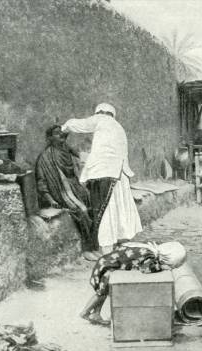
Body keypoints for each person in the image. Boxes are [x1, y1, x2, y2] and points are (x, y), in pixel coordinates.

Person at [61, 103, 142, 253]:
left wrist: (63, 127)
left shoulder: (101, 120)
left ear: (100, 112)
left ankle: (106, 249)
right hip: (119, 175)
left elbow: (81, 124)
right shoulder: (118, 127)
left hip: (105, 174)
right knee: (118, 209)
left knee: (105, 211)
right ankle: (120, 243)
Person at [79, 241, 187, 326]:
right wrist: (162, 267)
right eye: (173, 265)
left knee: (103, 293)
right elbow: (147, 269)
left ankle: (96, 314)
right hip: (107, 269)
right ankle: (85, 312)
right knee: (101, 294)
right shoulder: (149, 256)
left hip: (106, 264)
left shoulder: (149, 249)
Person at [35, 125, 100, 261]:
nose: (61, 136)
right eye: (57, 134)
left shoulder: (66, 150)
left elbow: (82, 156)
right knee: (80, 210)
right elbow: (41, 183)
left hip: (75, 186)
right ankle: (86, 249)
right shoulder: (45, 157)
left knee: (93, 205)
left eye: (62, 133)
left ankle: (94, 246)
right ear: (50, 138)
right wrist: (51, 200)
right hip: (60, 191)